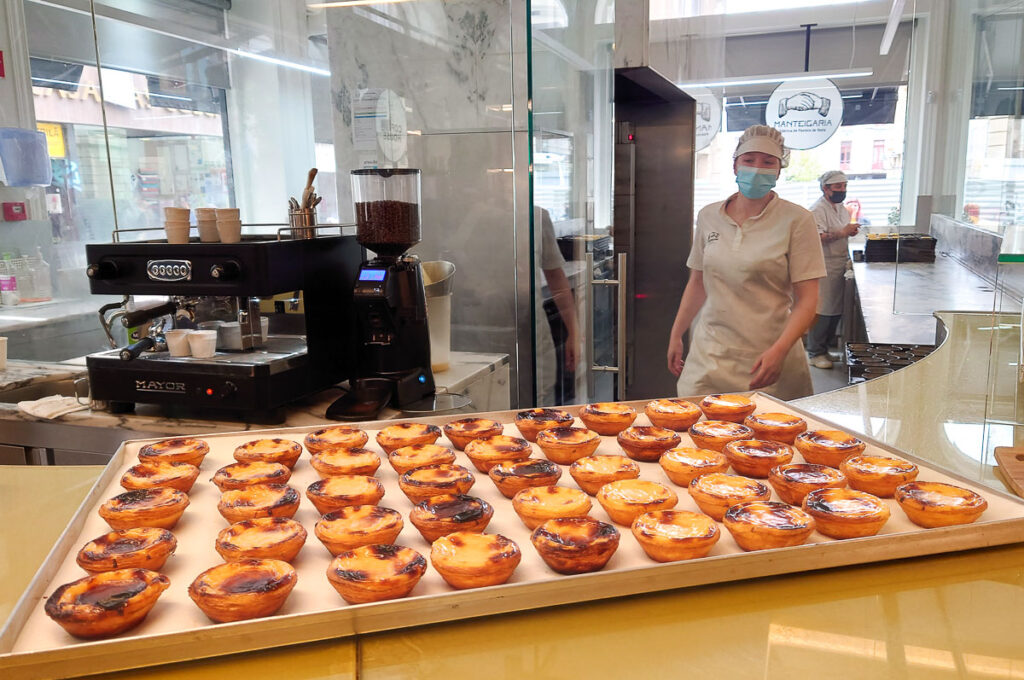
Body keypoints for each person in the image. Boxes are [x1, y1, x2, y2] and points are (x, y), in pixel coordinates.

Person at [666, 125, 825, 400]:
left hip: (768, 356)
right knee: (697, 430)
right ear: (735, 165)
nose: (757, 168)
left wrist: (780, 350)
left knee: (768, 440)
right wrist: (676, 333)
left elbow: (808, 300)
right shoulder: (708, 216)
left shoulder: (797, 221)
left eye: (768, 162)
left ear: (779, 170)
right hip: (711, 354)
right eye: (749, 160)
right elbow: (697, 283)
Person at [806, 170, 859, 369]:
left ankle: (825, 349)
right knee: (822, 310)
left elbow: (841, 231)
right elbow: (816, 236)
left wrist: (849, 231)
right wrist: (842, 232)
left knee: (835, 310)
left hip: (838, 264)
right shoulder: (817, 210)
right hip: (824, 265)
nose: (842, 191)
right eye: (838, 187)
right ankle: (814, 352)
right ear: (825, 188)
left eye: (844, 186)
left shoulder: (840, 208)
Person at [538, 206, 580, 403]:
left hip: (531, 335)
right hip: (477, 338)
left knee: (540, 405)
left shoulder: (537, 217)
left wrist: (573, 332)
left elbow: (556, 278)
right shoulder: (469, 215)